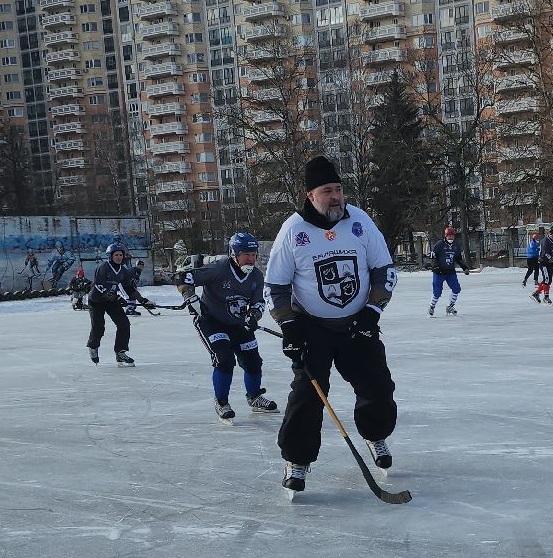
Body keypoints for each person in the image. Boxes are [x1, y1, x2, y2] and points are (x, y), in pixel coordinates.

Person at [266, 155, 400, 495]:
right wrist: (289, 328)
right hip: (312, 327)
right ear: (310, 195)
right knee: (308, 396)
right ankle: (297, 461)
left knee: (378, 386)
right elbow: (276, 287)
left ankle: (375, 435)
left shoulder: (360, 222)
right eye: (328, 191)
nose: (337, 196)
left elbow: (385, 271)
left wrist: (371, 312)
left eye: (339, 189)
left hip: (358, 322)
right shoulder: (293, 231)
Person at [188, 232, 276, 421]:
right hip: (212, 322)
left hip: (238, 324)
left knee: (253, 362)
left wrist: (254, 314)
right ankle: (221, 402)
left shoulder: (256, 276)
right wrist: (191, 299)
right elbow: (183, 279)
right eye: (246, 254)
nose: (251, 259)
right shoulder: (218, 269)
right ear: (234, 254)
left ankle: (254, 397)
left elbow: (259, 301)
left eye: (253, 254)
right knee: (224, 359)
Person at [86, 242, 155, 365]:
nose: (119, 257)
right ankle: (93, 347)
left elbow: (129, 289)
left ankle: (120, 352)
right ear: (110, 256)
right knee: (98, 327)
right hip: (96, 301)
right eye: (116, 255)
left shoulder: (124, 271)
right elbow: (100, 287)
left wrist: (143, 301)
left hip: (111, 300)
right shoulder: (103, 267)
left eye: (121, 255)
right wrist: (116, 298)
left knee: (124, 324)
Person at [426, 225, 472, 315]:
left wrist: (464, 267)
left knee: (456, 288)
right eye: (449, 236)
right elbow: (433, 256)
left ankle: (450, 306)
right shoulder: (440, 244)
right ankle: (431, 307)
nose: (450, 237)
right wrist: (435, 266)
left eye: (452, 236)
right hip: (439, 272)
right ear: (445, 236)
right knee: (437, 292)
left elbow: (458, 259)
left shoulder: (456, 246)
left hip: (450, 272)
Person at [531, 225, 553, 304]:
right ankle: (546, 297)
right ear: (551, 234)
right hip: (543, 262)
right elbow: (545, 253)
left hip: (549, 263)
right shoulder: (545, 241)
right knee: (547, 278)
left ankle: (536, 293)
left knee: (548, 280)